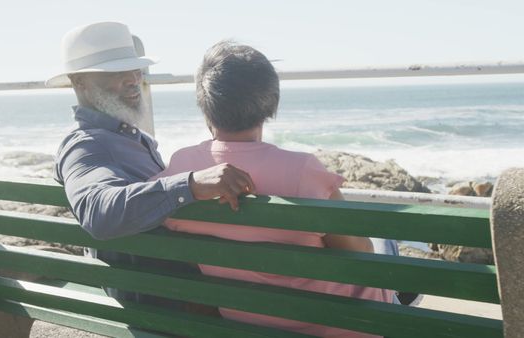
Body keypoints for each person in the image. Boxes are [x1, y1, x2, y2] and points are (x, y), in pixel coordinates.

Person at [152, 41, 394, 337]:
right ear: (270, 103)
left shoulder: (182, 170)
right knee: (384, 244)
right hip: (337, 327)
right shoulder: (304, 172)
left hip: (247, 320)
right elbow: (360, 252)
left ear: (206, 105)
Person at [49, 22, 255, 310]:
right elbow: (98, 210)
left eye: (135, 69)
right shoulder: (86, 145)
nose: (134, 78)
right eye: (115, 71)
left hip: (162, 290)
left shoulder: (124, 139)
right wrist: (192, 184)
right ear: (78, 82)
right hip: (162, 302)